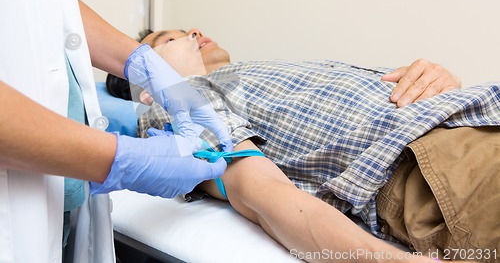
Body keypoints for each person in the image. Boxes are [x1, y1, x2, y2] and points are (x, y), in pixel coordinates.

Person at [107, 29, 500, 262]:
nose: (194, 31)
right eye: (170, 37)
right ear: (145, 86)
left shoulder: (260, 73)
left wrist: (438, 77)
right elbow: (262, 196)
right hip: (436, 165)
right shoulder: (172, 108)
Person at [0, 0, 233, 263]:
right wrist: (121, 160)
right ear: (145, 97)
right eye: (168, 40)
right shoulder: (153, 112)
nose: (194, 34)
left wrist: (146, 64)